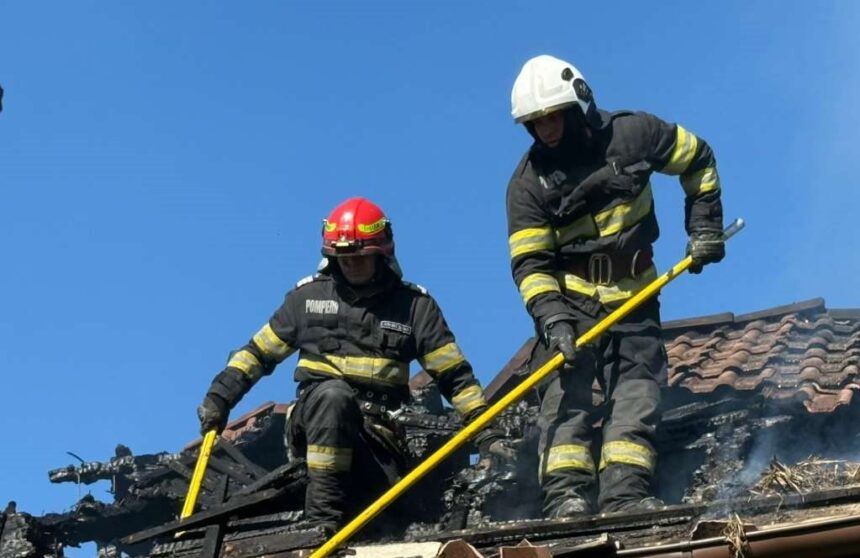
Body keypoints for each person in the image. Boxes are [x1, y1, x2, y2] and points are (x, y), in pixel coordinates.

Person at [197, 197, 509, 532]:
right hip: (314, 424)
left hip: (379, 437)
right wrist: (219, 399)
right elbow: (255, 355)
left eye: (360, 257)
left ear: (382, 252)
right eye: (343, 258)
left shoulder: (414, 307)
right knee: (332, 397)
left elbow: (456, 378)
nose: (351, 265)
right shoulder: (306, 300)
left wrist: (486, 431)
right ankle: (321, 524)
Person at [505, 55, 725, 517]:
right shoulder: (527, 186)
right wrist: (554, 321)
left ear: (578, 104)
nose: (544, 130)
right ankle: (566, 499)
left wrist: (704, 227)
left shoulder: (635, 134)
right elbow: (530, 265)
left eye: (551, 117)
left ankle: (625, 494)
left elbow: (698, 159)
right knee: (565, 398)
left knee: (638, 391)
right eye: (534, 122)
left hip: (635, 294)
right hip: (571, 301)